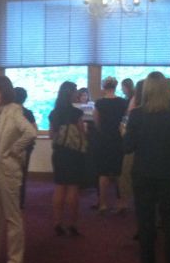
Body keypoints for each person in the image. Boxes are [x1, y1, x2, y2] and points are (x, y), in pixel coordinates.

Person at [123, 72, 170, 263]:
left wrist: (125, 133)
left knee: (146, 223)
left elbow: (127, 147)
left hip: (143, 173)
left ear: (146, 90)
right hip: (168, 173)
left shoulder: (137, 115)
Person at [0, 75, 36, 263]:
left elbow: (30, 132)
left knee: (12, 217)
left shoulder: (13, 110)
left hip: (7, 169)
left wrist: (14, 149)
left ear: (4, 91)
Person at [49, 81, 87, 236]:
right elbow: (82, 133)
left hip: (59, 153)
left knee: (59, 187)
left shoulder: (54, 113)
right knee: (72, 188)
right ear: (71, 94)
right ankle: (72, 224)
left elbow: (51, 135)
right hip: (73, 154)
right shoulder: (76, 113)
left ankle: (57, 223)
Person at [93, 76, 128, 214]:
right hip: (118, 139)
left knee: (103, 172)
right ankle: (121, 203)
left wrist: (103, 131)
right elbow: (125, 121)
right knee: (119, 172)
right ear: (116, 86)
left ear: (103, 87)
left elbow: (96, 122)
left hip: (104, 139)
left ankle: (103, 204)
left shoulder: (99, 103)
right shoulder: (123, 102)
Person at [13, 86, 37, 209]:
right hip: (26, 148)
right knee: (22, 173)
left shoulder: (10, 113)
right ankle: (20, 202)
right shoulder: (28, 113)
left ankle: (12, 200)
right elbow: (34, 130)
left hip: (11, 147)